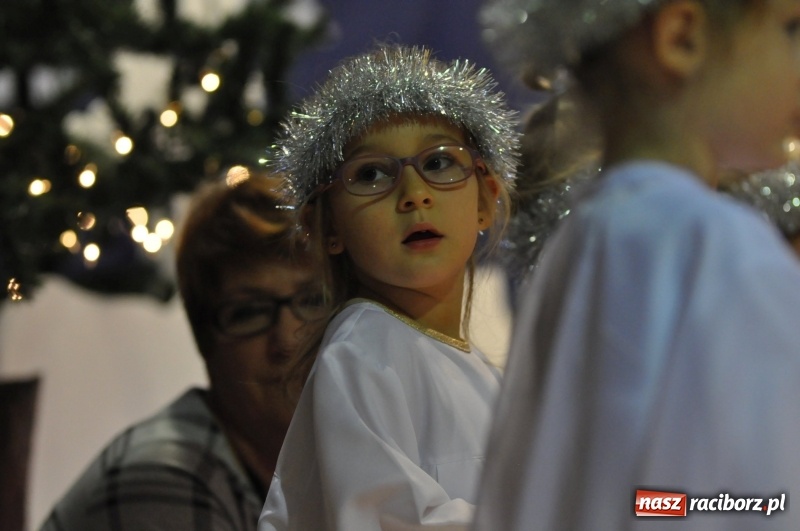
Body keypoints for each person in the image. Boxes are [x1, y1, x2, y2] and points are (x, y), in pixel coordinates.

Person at [473, 1, 800, 530]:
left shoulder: (580, 240)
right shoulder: (722, 246)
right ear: (682, 37)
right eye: (791, 30)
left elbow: (647, 499)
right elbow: (756, 500)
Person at [257, 45, 520, 530]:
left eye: (440, 163)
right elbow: (385, 520)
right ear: (327, 226)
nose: (414, 194)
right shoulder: (364, 348)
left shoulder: (484, 376)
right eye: (371, 174)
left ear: (485, 199)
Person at [40, 168, 323, 531]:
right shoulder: (161, 487)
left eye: (313, 300)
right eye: (248, 312)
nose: (288, 339)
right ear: (206, 343)